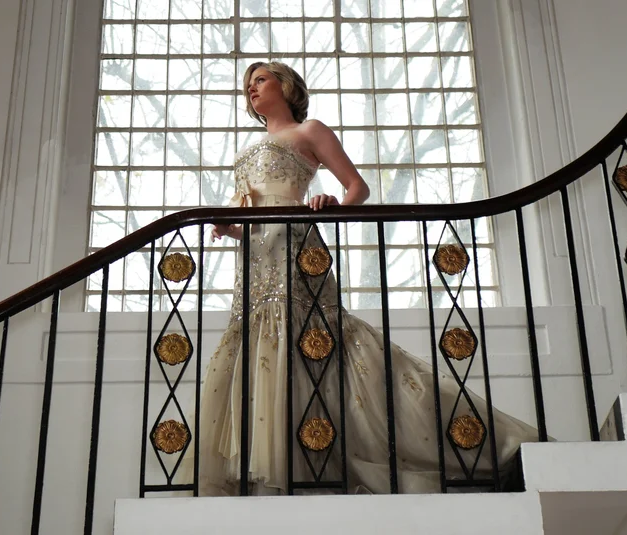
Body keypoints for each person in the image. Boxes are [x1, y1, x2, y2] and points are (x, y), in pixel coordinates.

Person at [191, 61, 538, 496]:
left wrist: (329, 202)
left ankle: (462, 439)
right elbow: (249, 216)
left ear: (285, 85)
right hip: (255, 265)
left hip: (299, 249)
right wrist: (229, 229)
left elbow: (357, 188)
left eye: (260, 79)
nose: (251, 89)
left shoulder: (309, 131)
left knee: (319, 340)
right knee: (261, 350)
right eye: (247, 85)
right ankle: (283, 469)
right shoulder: (246, 151)